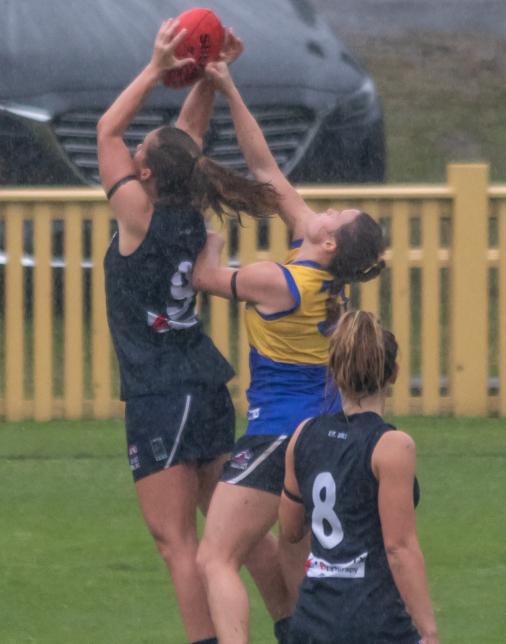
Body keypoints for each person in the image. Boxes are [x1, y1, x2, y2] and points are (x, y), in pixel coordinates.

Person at [96, 21, 288, 644]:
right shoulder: (185, 206)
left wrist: (156, 68)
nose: (134, 151)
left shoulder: (140, 218)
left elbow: (106, 131)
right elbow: (186, 140)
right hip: (202, 386)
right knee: (232, 533)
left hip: (162, 392)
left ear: (145, 174)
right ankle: (295, 627)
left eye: (142, 152)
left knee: (177, 543)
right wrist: (207, 74)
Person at [192, 61, 388, 644]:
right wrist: (228, 87)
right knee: (293, 559)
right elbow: (265, 170)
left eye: (333, 215)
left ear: (327, 241)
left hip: (278, 434)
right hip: (322, 430)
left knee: (216, 558)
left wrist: (208, 235)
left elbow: (203, 277)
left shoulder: (278, 281)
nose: (323, 208)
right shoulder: (324, 272)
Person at [280, 311, 440, 644]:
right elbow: (399, 548)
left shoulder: (302, 435)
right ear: (393, 373)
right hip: (373, 621)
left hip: (311, 620)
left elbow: (290, 530)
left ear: (334, 371)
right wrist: (428, 630)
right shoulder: (392, 447)